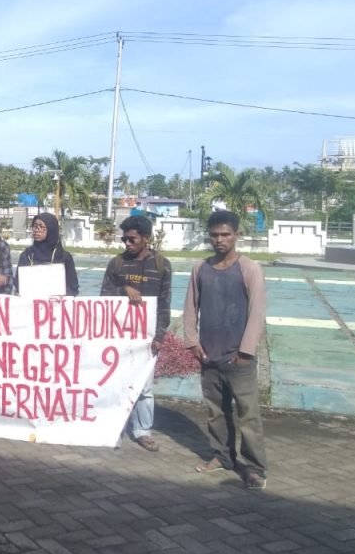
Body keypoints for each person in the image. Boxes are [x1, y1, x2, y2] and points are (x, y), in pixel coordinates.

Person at [183, 210, 268, 490]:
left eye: (225, 234)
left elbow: (257, 312)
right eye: (214, 235)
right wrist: (192, 342)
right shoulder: (201, 268)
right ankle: (222, 456)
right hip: (209, 356)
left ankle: (254, 468)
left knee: (248, 416)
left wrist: (245, 352)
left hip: (239, 359)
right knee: (216, 412)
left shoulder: (249, 269)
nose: (219, 240)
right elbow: (190, 307)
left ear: (236, 235)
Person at [100, 216, 171, 452]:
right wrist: (124, 289)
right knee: (116, 384)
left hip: (147, 337)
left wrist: (159, 336)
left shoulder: (161, 265)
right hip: (118, 335)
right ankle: (116, 428)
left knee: (145, 388)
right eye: (125, 239)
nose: (127, 243)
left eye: (132, 239)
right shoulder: (116, 264)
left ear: (146, 238)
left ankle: (143, 431)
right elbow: (104, 296)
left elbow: (164, 303)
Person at [15, 212, 79, 296]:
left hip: (56, 303)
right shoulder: (27, 255)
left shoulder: (64, 257)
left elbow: (73, 288)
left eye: (41, 227)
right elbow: (18, 284)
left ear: (51, 229)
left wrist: (61, 295)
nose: (36, 230)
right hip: (31, 302)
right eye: (35, 226)